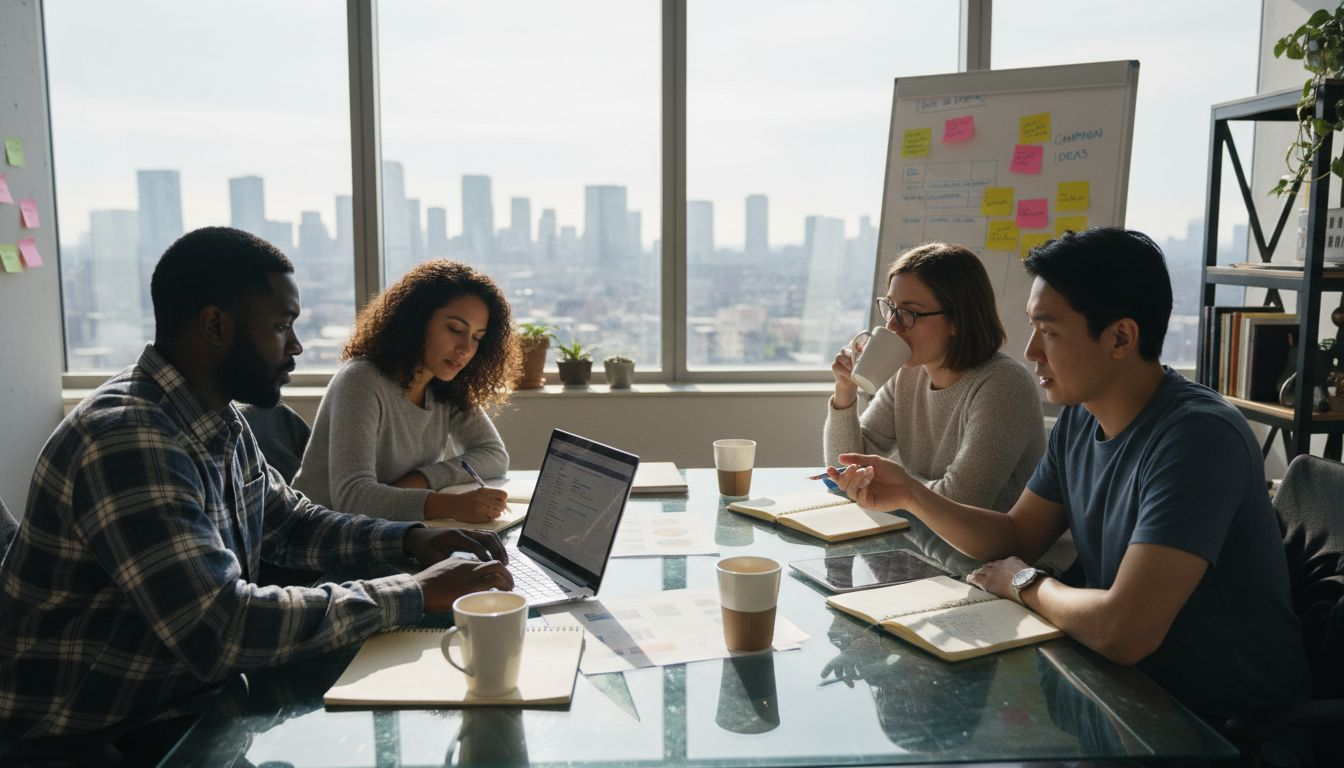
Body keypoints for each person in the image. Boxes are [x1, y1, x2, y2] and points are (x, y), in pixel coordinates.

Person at [0, 227, 513, 740]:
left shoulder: (214, 416)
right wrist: (413, 591)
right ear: (215, 325)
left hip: (187, 701)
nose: (296, 345)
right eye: (281, 326)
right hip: (98, 732)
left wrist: (412, 537)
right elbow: (221, 629)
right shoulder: (128, 441)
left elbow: (288, 523)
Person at [829, 227, 1310, 723]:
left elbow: (1124, 632)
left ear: (1121, 337)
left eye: (1050, 331)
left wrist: (1022, 581)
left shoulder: (1198, 439)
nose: (1032, 350)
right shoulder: (1082, 418)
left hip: (1218, 720)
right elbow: (1016, 535)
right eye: (1033, 327)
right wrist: (909, 493)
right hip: (1120, 689)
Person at [293, 260, 518, 524]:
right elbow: (352, 498)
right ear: (417, 320)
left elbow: (493, 454)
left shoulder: (445, 382)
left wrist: (421, 479)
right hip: (324, 542)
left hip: (387, 534)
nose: (466, 348)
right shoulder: (361, 380)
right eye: (455, 329)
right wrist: (449, 505)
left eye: (477, 337)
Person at [825, 242, 1044, 512]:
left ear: (958, 320)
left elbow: (962, 501)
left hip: (998, 551)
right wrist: (845, 392)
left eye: (908, 313)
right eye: (891, 307)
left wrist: (890, 487)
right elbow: (845, 467)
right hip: (926, 539)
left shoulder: (1004, 385)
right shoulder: (908, 375)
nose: (892, 326)